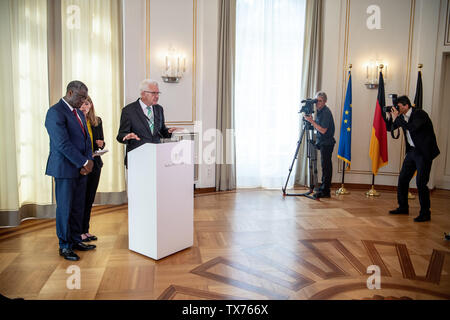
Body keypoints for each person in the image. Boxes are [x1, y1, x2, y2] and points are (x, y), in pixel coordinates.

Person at [45, 81, 97, 261]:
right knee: (65, 209)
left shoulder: (79, 113)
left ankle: (76, 240)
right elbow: (62, 144)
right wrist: (83, 161)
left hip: (82, 169)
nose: (84, 101)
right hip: (65, 169)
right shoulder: (55, 112)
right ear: (69, 93)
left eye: (85, 97)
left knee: (77, 208)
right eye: (81, 97)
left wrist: (89, 160)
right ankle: (65, 246)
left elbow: (86, 140)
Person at [386, 95, 440, 222]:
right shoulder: (402, 116)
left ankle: (425, 213)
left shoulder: (419, 114)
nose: (396, 109)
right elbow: (390, 128)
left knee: (421, 183)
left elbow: (412, 128)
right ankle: (403, 207)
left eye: (398, 107)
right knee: (403, 178)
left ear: (406, 106)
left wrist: (398, 118)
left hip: (424, 152)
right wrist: (390, 117)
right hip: (412, 151)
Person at [116, 79, 179, 166]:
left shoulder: (159, 109)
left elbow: (161, 131)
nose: (157, 96)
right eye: (154, 93)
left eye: (158, 93)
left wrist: (168, 131)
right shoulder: (128, 111)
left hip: (156, 158)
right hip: (137, 159)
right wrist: (127, 137)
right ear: (143, 94)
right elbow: (120, 135)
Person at [79, 96, 104, 242]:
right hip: (82, 165)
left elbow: (101, 141)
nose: (84, 107)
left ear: (91, 105)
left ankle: (85, 230)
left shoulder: (97, 120)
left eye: (87, 104)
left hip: (95, 163)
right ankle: (79, 231)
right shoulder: (74, 120)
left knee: (89, 199)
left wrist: (101, 143)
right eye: (82, 104)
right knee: (80, 199)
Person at [304, 91, 336, 199]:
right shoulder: (319, 111)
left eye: (320, 101)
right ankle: (323, 188)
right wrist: (311, 121)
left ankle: (325, 191)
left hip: (327, 143)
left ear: (325, 101)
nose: (318, 103)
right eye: (316, 101)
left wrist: (311, 121)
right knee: (324, 166)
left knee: (326, 167)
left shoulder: (326, 112)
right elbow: (318, 128)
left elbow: (323, 130)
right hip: (322, 142)